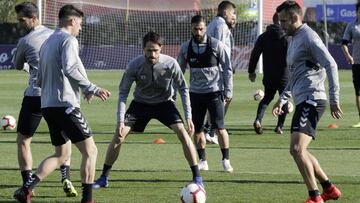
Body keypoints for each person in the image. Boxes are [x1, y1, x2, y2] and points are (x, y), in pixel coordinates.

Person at [13, 4, 111, 203]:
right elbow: (70, 68)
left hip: (47, 106)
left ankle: (26, 189)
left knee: (62, 153)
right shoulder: (68, 39)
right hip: (65, 106)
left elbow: (39, 77)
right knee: (91, 151)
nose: (80, 28)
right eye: (80, 24)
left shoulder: (49, 42)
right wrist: (92, 88)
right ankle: (88, 199)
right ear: (72, 21)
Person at [92, 31, 204, 189]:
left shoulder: (171, 64)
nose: (152, 54)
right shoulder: (134, 65)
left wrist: (189, 117)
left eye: (156, 50)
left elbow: (183, 89)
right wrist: (120, 121)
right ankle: (103, 177)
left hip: (165, 104)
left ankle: (197, 178)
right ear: (143, 49)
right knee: (119, 136)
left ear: (161, 48)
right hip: (140, 105)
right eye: (149, 50)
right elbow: (123, 93)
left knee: (183, 133)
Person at [272, 1, 343, 203]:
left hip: (313, 99)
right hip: (303, 99)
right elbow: (295, 75)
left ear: (295, 18)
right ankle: (328, 188)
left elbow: (332, 64)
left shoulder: (309, 37)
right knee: (300, 150)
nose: (281, 25)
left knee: (296, 149)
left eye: (284, 21)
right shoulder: (293, 38)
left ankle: (315, 197)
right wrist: (283, 98)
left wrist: (334, 99)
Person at [12, 1, 77, 197]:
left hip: (35, 96)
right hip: (57, 97)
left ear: (33, 18)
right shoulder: (56, 35)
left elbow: (17, 65)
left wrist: (28, 66)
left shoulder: (25, 41)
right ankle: (66, 177)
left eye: (22, 20)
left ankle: (28, 186)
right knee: (63, 142)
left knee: (23, 140)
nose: (19, 24)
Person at [177, 15, 233, 172]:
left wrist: (228, 90)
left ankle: (226, 160)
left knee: (220, 127)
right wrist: (174, 91)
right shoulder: (185, 48)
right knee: (198, 129)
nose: (198, 31)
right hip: (195, 94)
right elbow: (178, 72)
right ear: (191, 28)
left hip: (214, 92)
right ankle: (203, 160)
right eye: (195, 29)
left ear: (205, 28)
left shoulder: (216, 45)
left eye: (201, 29)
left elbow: (227, 68)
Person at [248, 13, 289, 135]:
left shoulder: (263, 37)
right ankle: (279, 126)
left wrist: (251, 71)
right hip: (284, 76)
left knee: (267, 98)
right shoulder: (287, 37)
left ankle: (258, 120)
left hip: (269, 75)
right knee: (284, 99)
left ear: (272, 20)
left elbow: (254, 54)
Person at [205, 0, 236, 144]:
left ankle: (210, 129)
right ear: (225, 12)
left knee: (218, 99)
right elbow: (219, 48)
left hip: (214, 68)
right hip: (219, 69)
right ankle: (211, 130)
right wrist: (225, 67)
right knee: (224, 98)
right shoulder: (221, 26)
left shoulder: (213, 24)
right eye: (233, 13)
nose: (234, 16)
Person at [341, 3, 360, 128]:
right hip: (357, 63)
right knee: (358, 92)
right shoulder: (352, 26)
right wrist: (348, 56)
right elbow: (344, 43)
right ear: (357, 12)